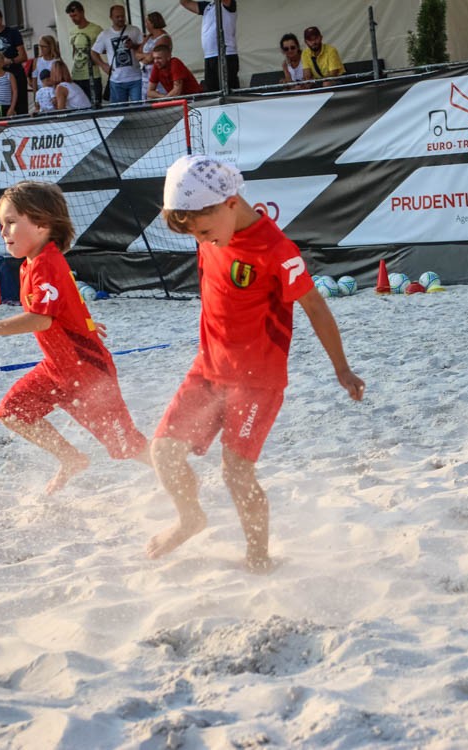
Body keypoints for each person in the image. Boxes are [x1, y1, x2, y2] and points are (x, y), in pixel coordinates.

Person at [147, 155, 365, 573]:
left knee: (236, 473)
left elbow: (315, 307)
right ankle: (190, 519)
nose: (204, 241)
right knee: (164, 453)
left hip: (256, 381)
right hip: (207, 369)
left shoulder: (276, 250)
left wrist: (341, 368)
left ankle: (258, 557)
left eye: (204, 232)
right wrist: (203, 234)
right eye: (196, 235)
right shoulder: (212, 228)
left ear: (230, 203)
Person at [0, 181, 150, 494]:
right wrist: (83, 324)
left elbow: (42, 319)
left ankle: (178, 470)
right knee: (13, 412)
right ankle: (71, 458)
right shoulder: (31, 264)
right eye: (2, 224)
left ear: (42, 224)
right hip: (57, 368)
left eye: (11, 222)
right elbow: (63, 303)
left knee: (128, 446)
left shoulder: (46, 262)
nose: (3, 232)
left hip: (87, 374)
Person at [178, 0, 239, 92]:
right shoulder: (207, 6)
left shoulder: (228, 4)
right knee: (212, 91)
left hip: (226, 54)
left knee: (229, 89)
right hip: (209, 56)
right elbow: (184, 2)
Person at [91, 4, 144, 104]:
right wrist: (103, 65)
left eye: (122, 16)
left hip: (136, 77)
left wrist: (133, 46)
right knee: (119, 110)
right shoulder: (105, 34)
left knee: (139, 109)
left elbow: (143, 48)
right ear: (111, 17)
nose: (121, 19)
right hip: (116, 80)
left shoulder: (134, 30)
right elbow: (93, 52)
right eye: (117, 16)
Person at [65, 1, 104, 104]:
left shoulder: (96, 29)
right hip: (77, 75)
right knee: (79, 105)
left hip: (92, 75)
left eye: (75, 15)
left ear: (82, 12)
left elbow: (105, 49)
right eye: (71, 17)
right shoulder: (72, 31)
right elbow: (74, 51)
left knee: (95, 104)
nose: (73, 19)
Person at [137, 12, 171, 96]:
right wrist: (147, 55)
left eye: (147, 22)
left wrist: (144, 56)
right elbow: (137, 53)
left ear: (152, 23)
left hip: (159, 78)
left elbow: (151, 58)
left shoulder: (163, 38)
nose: (145, 25)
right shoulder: (149, 37)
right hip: (146, 77)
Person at [30, 34, 61, 100]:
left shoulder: (56, 61)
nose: (41, 48)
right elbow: (34, 79)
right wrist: (35, 97)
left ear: (50, 47)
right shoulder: (36, 60)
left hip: (53, 91)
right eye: (40, 46)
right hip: (41, 91)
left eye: (44, 46)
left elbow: (59, 79)